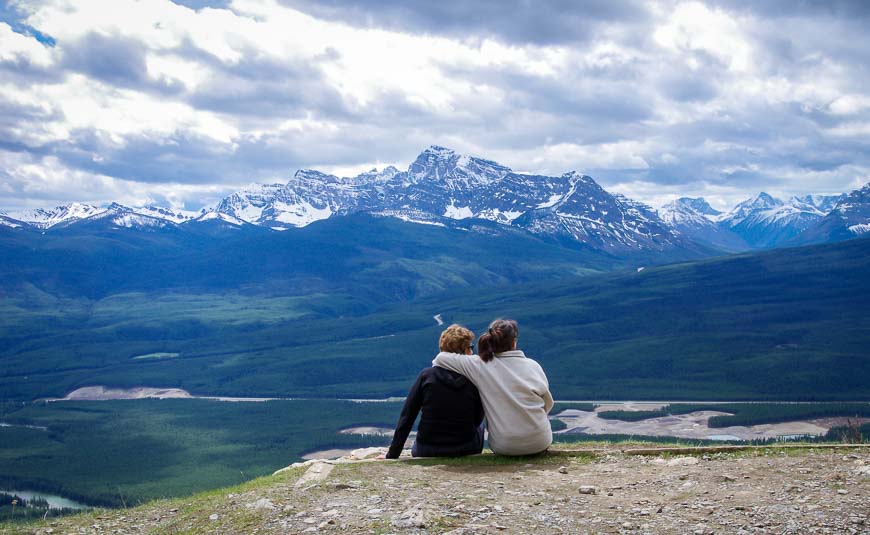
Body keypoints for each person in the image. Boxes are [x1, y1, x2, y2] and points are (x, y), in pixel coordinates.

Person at [432, 318, 553, 456]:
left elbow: (441, 358)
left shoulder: (479, 366)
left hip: (503, 446)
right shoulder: (533, 366)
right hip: (540, 441)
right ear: (514, 341)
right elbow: (547, 404)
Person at [384, 324, 485, 459]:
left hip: (427, 449)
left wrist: (393, 454)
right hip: (466, 448)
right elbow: (477, 419)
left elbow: (407, 417)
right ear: (466, 351)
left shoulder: (426, 376)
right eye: (471, 348)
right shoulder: (474, 378)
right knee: (481, 426)